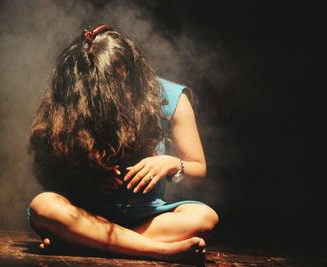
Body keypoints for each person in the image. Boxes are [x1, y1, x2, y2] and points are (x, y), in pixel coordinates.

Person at [27, 24, 218, 262]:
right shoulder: (74, 95)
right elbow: (47, 168)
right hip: (86, 214)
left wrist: (170, 165)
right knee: (43, 206)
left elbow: (197, 167)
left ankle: (85, 242)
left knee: (203, 217)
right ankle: (161, 250)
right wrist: (85, 176)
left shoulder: (170, 97)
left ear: (130, 71)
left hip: (147, 217)